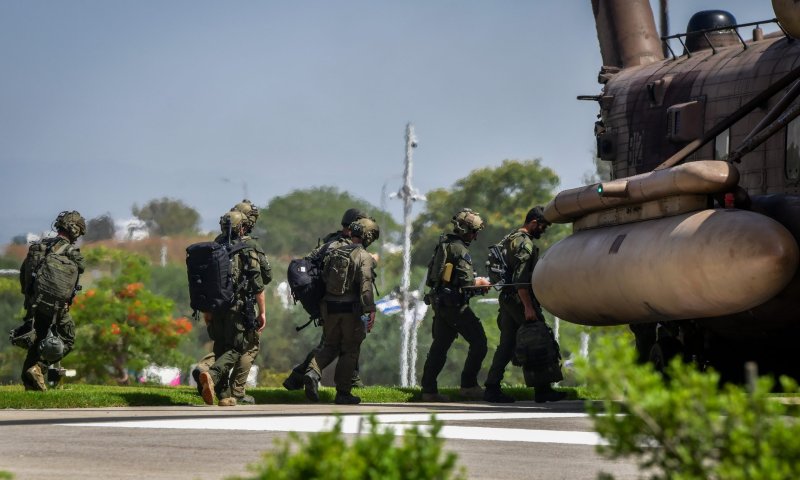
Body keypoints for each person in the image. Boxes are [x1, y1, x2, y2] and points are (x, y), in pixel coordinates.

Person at [483, 206, 566, 403]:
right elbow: (521, 280)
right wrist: (528, 307)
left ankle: (492, 387)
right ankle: (543, 390)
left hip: (507, 300)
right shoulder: (525, 244)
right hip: (520, 300)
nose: (543, 230)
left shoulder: (510, 238)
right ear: (534, 223)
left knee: (507, 344)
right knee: (538, 337)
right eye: (543, 226)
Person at [193, 200, 272, 405]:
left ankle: (224, 396)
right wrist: (262, 312)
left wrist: (207, 311)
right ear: (244, 225)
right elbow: (260, 283)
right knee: (238, 348)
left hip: (215, 307)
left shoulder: (215, 245)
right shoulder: (248, 246)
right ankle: (212, 375)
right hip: (238, 308)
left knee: (220, 347)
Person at [281, 207, 368, 391]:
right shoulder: (346, 245)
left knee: (332, 343)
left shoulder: (330, 241)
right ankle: (306, 375)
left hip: (325, 302)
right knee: (335, 344)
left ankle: (298, 377)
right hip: (340, 304)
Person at [303, 217, 379, 405]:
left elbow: (323, 278)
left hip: (329, 308)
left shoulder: (335, 252)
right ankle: (343, 393)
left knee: (330, 345)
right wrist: (370, 310)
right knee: (350, 349)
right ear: (368, 236)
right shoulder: (364, 256)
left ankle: (312, 372)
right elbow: (366, 286)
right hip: (350, 311)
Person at [420, 208, 491, 402]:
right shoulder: (459, 249)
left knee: (439, 347)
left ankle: (429, 390)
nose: (475, 237)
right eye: (474, 232)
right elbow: (467, 282)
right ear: (467, 231)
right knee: (479, 342)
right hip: (454, 307)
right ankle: (468, 386)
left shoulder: (445, 244)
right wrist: (481, 283)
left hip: (441, 304)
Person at [18, 211, 86, 391]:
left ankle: (29, 384)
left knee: (37, 341)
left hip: (35, 303)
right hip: (57, 308)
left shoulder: (38, 247)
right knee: (68, 339)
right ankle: (40, 368)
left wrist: (30, 298)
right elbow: (80, 270)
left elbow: (24, 274)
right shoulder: (72, 253)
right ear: (74, 230)